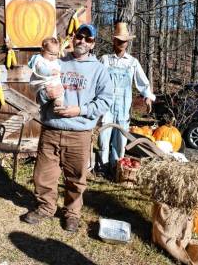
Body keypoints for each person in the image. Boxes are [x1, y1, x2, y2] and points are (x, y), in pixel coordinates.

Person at [23, 24, 113, 233]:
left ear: (93, 44)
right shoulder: (56, 62)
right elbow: (38, 90)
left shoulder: (99, 69)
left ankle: (71, 213)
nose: (82, 41)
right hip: (51, 128)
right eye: (79, 36)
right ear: (73, 38)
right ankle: (46, 207)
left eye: (88, 39)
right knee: (43, 175)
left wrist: (80, 110)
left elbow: (106, 101)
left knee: (76, 178)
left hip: (79, 133)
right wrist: (47, 95)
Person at [98, 22, 155, 176]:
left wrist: (147, 97)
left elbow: (143, 82)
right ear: (114, 41)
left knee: (120, 141)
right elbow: (96, 80)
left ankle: (117, 168)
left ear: (127, 43)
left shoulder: (132, 62)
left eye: (124, 41)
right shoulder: (105, 59)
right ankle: (103, 167)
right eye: (119, 40)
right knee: (104, 138)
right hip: (107, 105)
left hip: (123, 107)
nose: (121, 44)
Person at [28, 37, 63, 107]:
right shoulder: (39, 60)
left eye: (55, 54)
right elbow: (40, 70)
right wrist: (50, 72)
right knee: (48, 91)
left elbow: (59, 66)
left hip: (53, 82)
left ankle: (58, 101)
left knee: (60, 90)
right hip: (42, 83)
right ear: (42, 51)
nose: (53, 57)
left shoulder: (55, 61)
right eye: (50, 54)